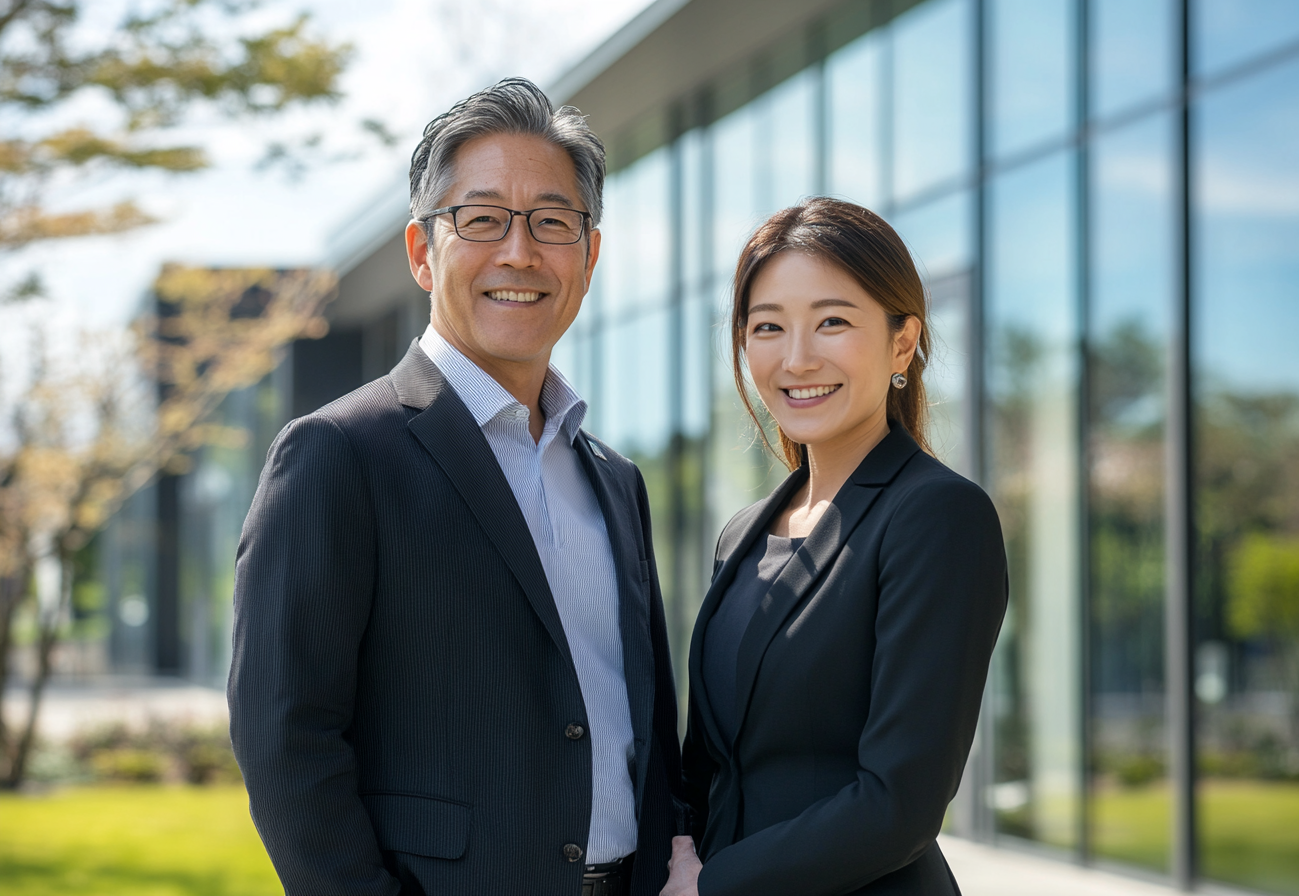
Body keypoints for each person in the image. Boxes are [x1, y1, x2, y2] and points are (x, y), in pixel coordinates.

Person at [229, 78, 686, 896]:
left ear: (588, 255)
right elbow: (286, 738)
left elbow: (642, 722)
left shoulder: (615, 479)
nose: (520, 252)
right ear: (420, 252)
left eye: (553, 222)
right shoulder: (337, 454)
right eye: (481, 220)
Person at [663, 198, 1009, 896]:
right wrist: (675, 850)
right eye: (768, 327)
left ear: (903, 343)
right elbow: (712, 758)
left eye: (832, 322)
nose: (796, 358)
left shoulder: (938, 516)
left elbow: (899, 805)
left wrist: (711, 886)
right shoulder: (744, 532)